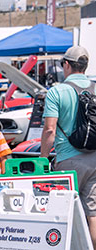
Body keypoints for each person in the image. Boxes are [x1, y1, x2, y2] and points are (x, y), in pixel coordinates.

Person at [40, 46, 96, 249]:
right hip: (94, 158)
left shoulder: (57, 91)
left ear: (66, 65)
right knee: (93, 214)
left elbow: (49, 130)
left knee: (65, 213)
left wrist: (43, 158)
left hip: (67, 160)